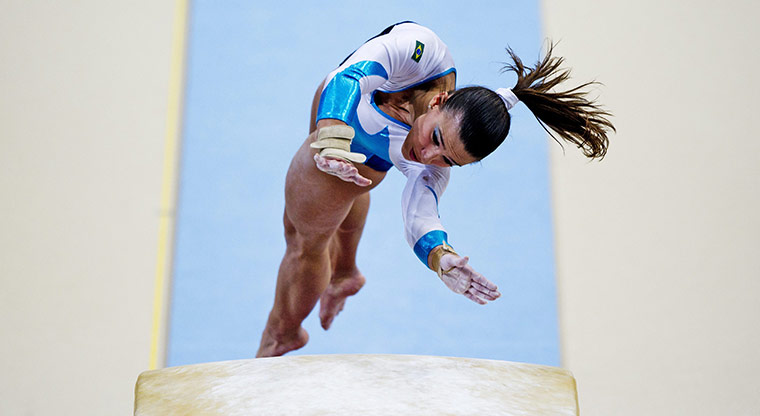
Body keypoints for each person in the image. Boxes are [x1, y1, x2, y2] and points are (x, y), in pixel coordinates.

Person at [256, 22, 614, 357]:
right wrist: (331, 128)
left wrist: (441, 258)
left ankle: (284, 331)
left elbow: (421, 216)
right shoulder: (421, 52)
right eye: (436, 137)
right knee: (349, 183)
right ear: (440, 101)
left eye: (448, 160)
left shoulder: (429, 164)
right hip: (337, 106)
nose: (427, 155)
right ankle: (345, 272)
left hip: (359, 140)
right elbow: (351, 75)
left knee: (304, 239)